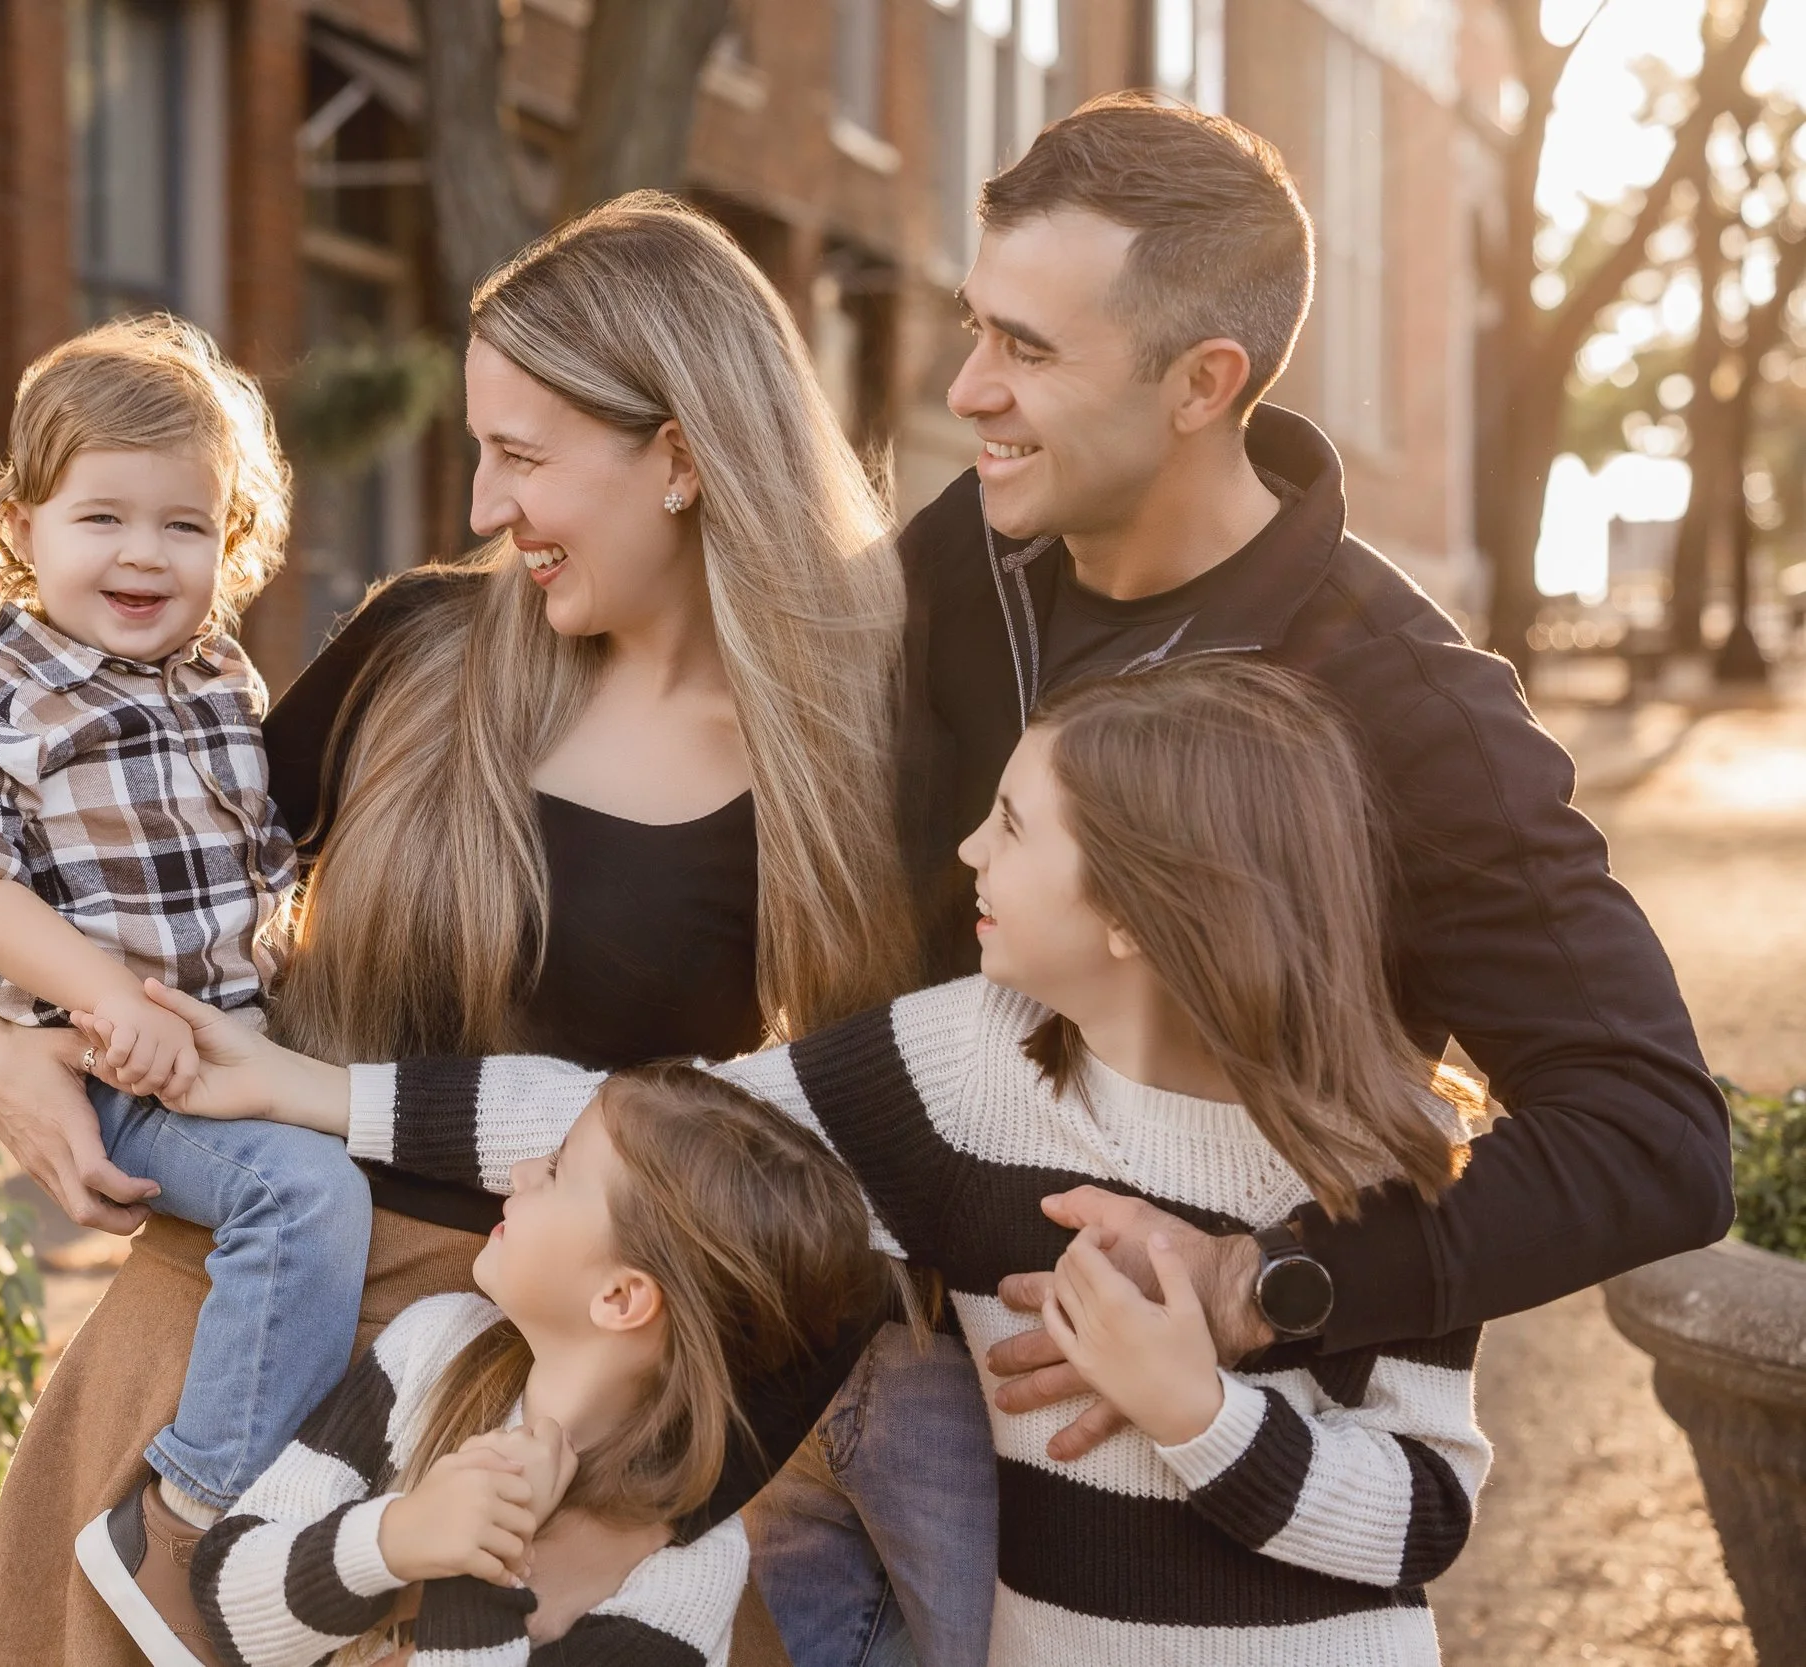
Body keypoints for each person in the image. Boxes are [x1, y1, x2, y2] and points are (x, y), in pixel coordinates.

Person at [0, 197, 934, 1667]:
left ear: (681, 455)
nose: (483, 505)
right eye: (481, 451)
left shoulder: (847, 762)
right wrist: (3, 1032)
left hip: (507, 1442)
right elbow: (131, 872)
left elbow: (839, 1214)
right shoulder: (419, 650)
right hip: (211, 1369)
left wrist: (653, 1502)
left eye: (522, 456)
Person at [140, 654, 1495, 1664]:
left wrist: (1196, 1411)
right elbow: (658, 1135)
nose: (967, 847)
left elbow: (1425, 1514)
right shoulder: (971, 1064)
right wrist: (308, 1088)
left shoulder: (1393, 1152)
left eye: (1014, 825)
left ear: (1144, 908)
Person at [893, 93, 1728, 1482]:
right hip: (910, 1423)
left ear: (1201, 383)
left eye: (1027, 349)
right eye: (975, 325)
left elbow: (1652, 1139)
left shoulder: (1413, 713)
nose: (967, 389)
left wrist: (1258, 1280)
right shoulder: (959, 561)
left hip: (1211, 1497)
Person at [0, 317, 371, 1656]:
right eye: (101, 516)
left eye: (184, 525)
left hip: (231, 1044)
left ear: (235, 540)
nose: (144, 556)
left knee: (345, 1166)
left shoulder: (220, 674)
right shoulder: (3, 691)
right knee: (304, 1193)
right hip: (117, 1068)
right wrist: (103, 1004)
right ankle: (189, 1515)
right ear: (21, 524)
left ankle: (292, 1468)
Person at [84, 1064, 897, 1667]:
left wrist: (478, 1565)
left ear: (621, 1296)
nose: (520, 1172)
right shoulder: (437, 1347)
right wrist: (396, 1537)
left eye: (559, 1171)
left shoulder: (685, 1576)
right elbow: (227, 1600)